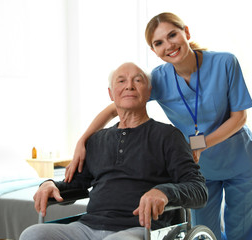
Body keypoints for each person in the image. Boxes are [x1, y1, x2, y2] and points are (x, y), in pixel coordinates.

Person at [65, 12, 252, 240]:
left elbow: (239, 117)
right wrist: (82, 140)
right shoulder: (159, 79)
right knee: (206, 232)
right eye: (159, 43)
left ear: (187, 33)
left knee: (240, 231)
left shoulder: (225, 62)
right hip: (199, 168)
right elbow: (117, 106)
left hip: (238, 160)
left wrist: (202, 144)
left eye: (172, 35)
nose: (169, 45)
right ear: (154, 51)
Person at [20, 62, 207, 240]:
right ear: (111, 94)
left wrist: (164, 192)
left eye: (138, 80)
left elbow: (198, 190)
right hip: (87, 227)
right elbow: (76, 184)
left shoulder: (168, 136)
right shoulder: (96, 140)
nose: (129, 86)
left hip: (141, 229)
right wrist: (50, 184)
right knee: (33, 234)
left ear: (149, 92)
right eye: (121, 81)